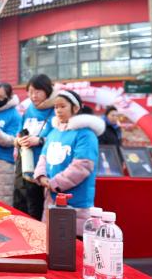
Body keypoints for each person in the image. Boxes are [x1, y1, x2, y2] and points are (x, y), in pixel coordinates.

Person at [33, 89, 104, 224]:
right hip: (51, 197)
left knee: (70, 240)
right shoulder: (54, 132)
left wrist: (55, 183)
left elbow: (82, 166)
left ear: (75, 108)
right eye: (56, 107)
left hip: (76, 200)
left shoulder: (86, 134)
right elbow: (43, 157)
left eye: (62, 106)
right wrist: (41, 176)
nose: (58, 110)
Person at [14, 74, 56, 220]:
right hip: (24, 162)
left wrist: (39, 140)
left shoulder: (55, 110)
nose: (33, 96)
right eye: (30, 92)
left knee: (36, 206)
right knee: (20, 202)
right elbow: (18, 133)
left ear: (47, 91)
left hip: (41, 167)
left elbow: (57, 137)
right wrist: (20, 141)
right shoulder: (28, 110)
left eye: (37, 91)